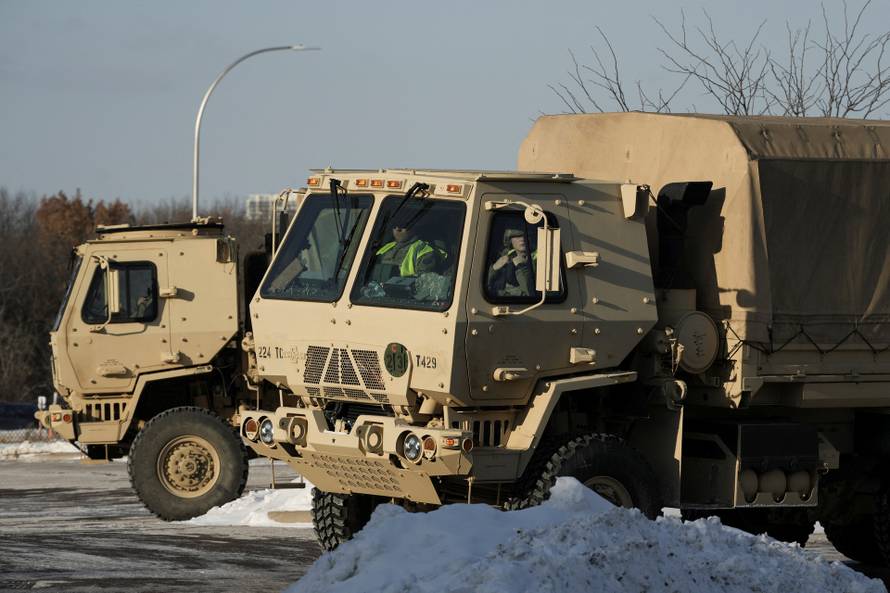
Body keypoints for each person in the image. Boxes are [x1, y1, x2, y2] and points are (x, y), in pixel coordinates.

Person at [372, 220, 444, 282]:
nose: (397, 229)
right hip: (374, 292)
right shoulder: (386, 248)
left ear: (414, 227)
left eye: (403, 225)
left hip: (403, 295)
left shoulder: (423, 250)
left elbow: (423, 281)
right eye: (394, 226)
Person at [488, 227, 536, 297]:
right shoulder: (505, 260)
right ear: (510, 241)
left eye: (525, 236)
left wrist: (522, 268)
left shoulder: (540, 260)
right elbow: (485, 287)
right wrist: (494, 269)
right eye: (516, 237)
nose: (522, 239)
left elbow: (532, 295)